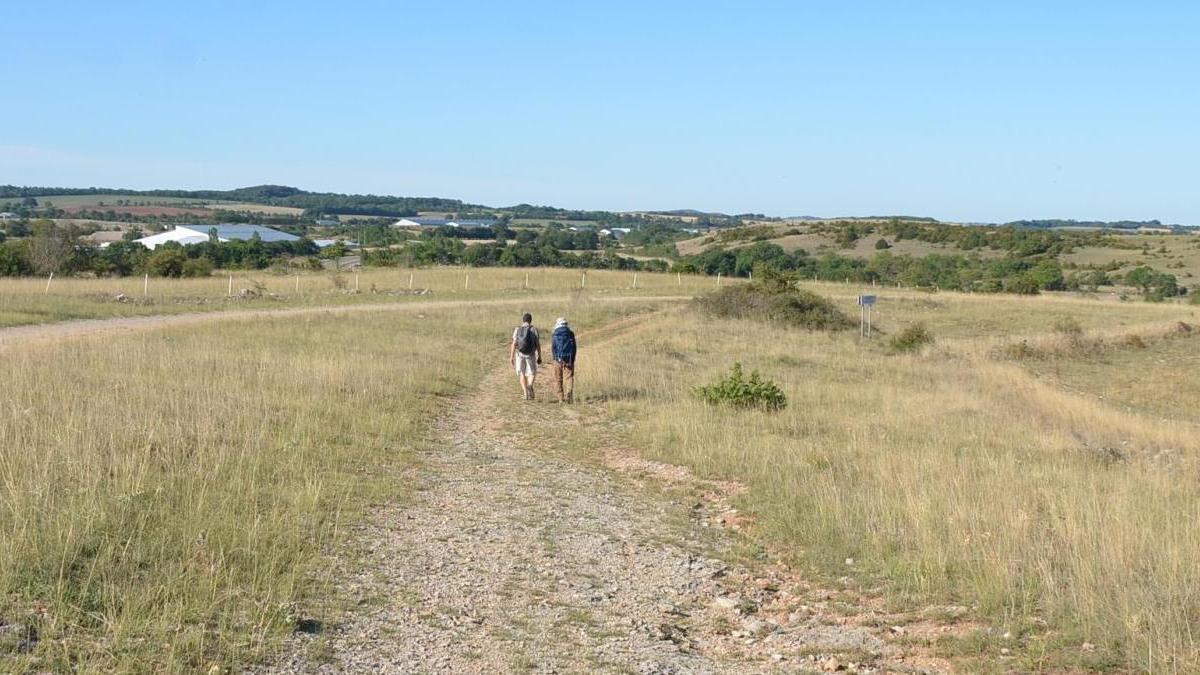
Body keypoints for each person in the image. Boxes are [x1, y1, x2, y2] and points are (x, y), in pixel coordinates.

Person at [509, 312, 542, 400]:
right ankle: (530, 385)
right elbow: (538, 344)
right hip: (531, 354)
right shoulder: (534, 329)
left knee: (522, 373)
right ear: (530, 321)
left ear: (523, 320)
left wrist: (511, 357)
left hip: (520, 354)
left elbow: (514, 343)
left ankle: (525, 394)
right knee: (532, 372)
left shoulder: (517, 329)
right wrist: (539, 355)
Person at [551, 317, 577, 403]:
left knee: (558, 378)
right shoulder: (570, 333)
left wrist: (555, 358)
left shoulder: (555, 333)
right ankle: (569, 396)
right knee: (569, 377)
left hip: (557, 359)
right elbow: (574, 347)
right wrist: (572, 359)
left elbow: (553, 347)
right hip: (569, 358)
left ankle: (560, 398)